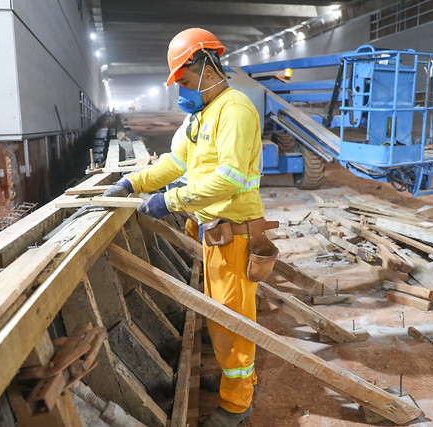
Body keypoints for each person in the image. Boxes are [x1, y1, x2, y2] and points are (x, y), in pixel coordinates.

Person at [104, 27, 278, 426]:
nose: (180, 89)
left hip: (234, 233)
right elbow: (175, 164)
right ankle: (233, 378)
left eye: (183, 80)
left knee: (233, 320)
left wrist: (171, 201)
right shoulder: (200, 117)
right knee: (221, 317)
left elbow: (231, 178)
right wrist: (135, 181)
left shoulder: (234, 110)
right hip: (214, 232)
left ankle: (237, 403)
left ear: (206, 66)